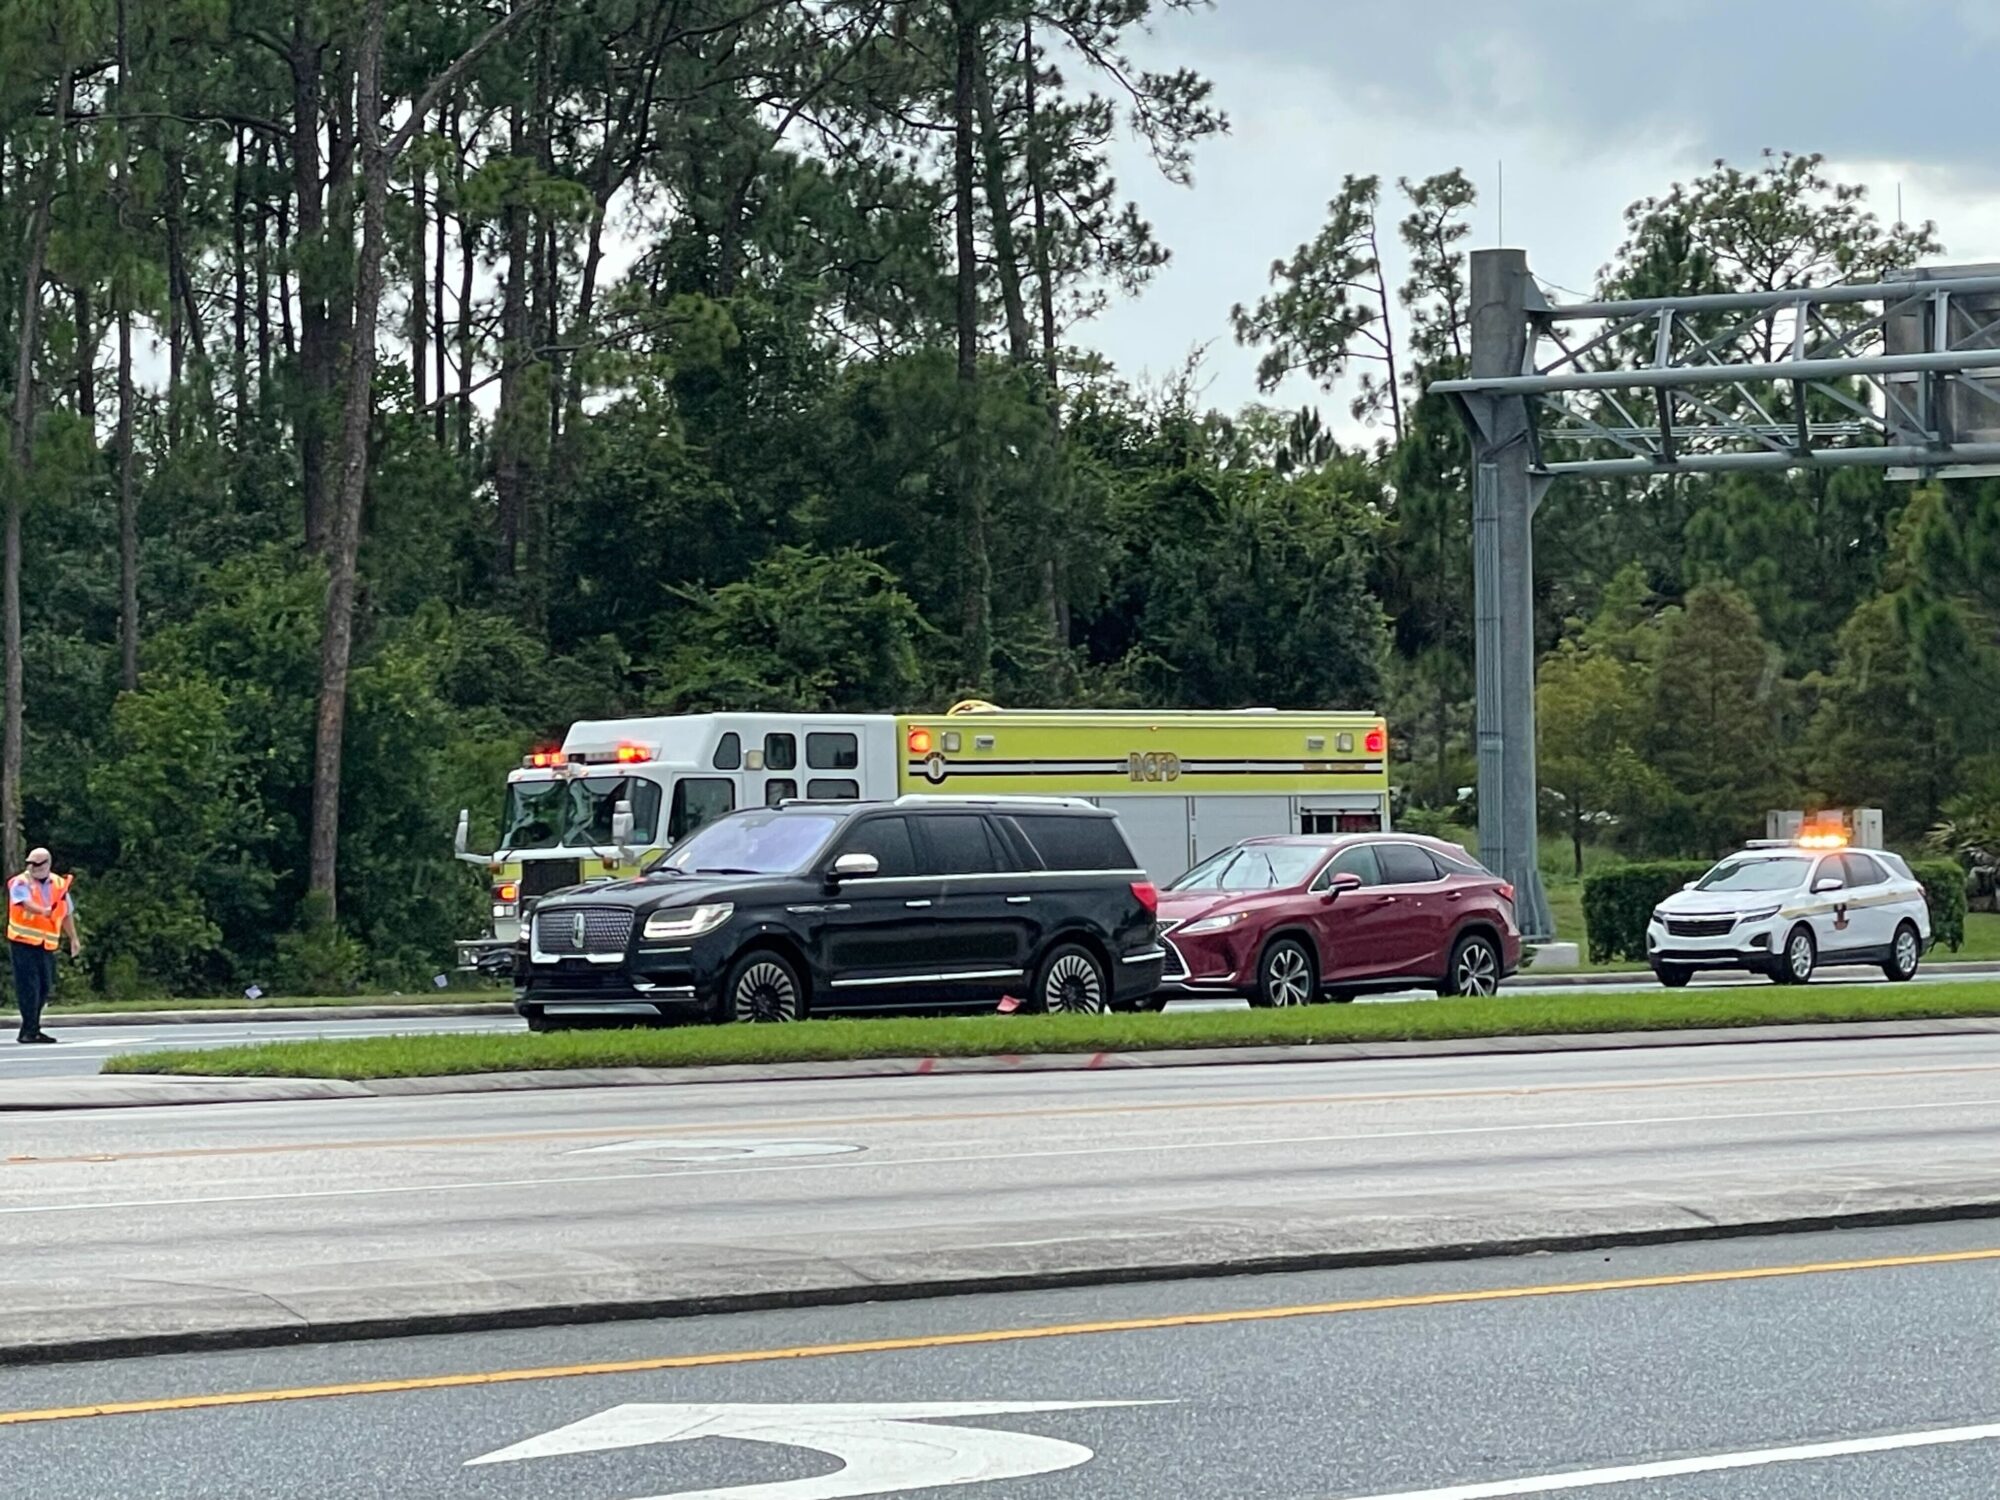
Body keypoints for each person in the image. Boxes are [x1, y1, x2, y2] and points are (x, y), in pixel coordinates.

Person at [9, 848, 79, 1044]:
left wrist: (73, 938)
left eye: (37, 864)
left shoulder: (58, 884)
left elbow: (66, 913)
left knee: (44, 986)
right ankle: (30, 1030)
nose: (32, 868)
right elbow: (24, 903)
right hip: (22, 942)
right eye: (30, 863)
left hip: (46, 943)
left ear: (48, 863)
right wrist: (43, 910)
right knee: (29, 988)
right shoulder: (20, 882)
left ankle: (31, 1028)